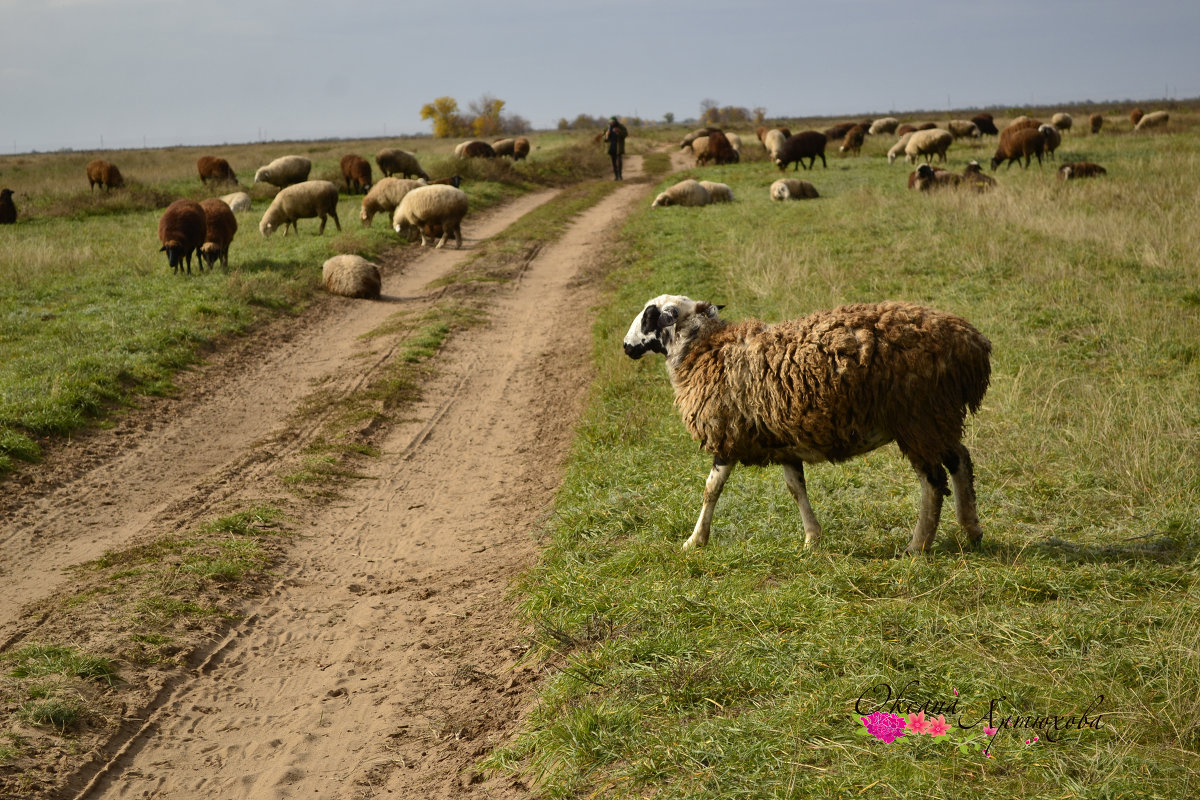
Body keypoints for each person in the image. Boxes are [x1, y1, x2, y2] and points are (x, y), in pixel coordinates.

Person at [603, 116, 628, 180]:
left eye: (612, 122)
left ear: (615, 121)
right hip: (611, 147)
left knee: (619, 161)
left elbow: (625, 134)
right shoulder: (608, 127)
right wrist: (606, 135)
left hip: (619, 147)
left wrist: (618, 131)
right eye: (610, 122)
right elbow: (604, 139)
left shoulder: (621, 126)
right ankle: (616, 176)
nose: (611, 123)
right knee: (613, 161)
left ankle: (620, 175)